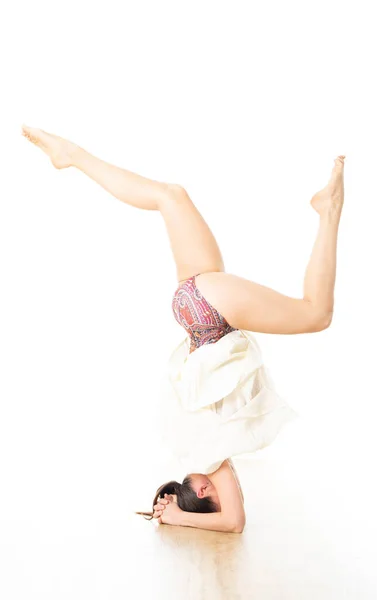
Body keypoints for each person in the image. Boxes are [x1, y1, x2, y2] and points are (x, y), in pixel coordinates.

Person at [21, 124, 345, 534]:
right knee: (170, 195)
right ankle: (73, 156)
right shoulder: (211, 454)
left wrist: (175, 514)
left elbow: (234, 524)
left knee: (315, 315)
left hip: (209, 317)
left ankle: (328, 210)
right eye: (206, 492)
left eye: (196, 490)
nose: (204, 485)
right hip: (196, 305)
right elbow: (233, 515)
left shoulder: (206, 454)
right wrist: (178, 512)